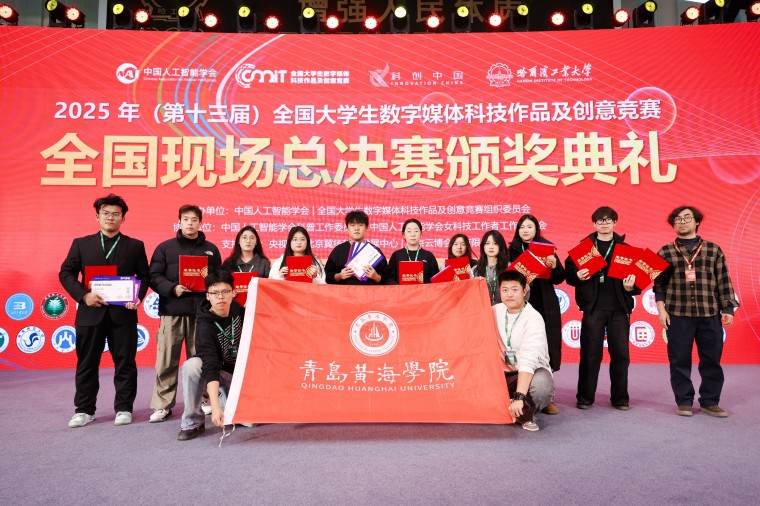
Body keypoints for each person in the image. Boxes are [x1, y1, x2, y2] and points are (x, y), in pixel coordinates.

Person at [59, 194, 149, 428]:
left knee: (125, 362)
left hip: (123, 314)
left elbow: (144, 276)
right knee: (87, 363)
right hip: (90, 314)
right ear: (97, 216)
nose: (111, 218)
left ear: (123, 218)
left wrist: (137, 297)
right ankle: (84, 410)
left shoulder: (134, 245)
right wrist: (83, 295)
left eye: (116, 214)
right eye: (106, 213)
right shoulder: (82, 244)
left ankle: (124, 408)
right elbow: (66, 273)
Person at [654, 206, 738, 418]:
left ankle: (710, 401)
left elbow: (723, 279)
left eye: (687, 218)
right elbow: (659, 284)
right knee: (679, 360)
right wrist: (661, 310)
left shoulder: (713, 249)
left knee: (711, 360)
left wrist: (728, 308)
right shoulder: (665, 251)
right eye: (678, 219)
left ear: (697, 221)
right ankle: (684, 401)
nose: (682, 222)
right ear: (673, 224)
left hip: (709, 313)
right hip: (677, 314)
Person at [148, 205, 222, 423]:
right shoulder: (165, 248)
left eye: (194, 219)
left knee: (201, 359)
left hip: (202, 314)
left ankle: (205, 399)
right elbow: (154, 276)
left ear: (201, 222)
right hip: (172, 312)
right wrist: (173, 288)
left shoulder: (211, 250)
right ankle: (163, 405)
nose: (190, 223)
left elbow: (217, 280)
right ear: (179, 222)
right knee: (166, 360)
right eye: (186, 219)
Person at [565, 206, 639, 411]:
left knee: (621, 355)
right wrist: (576, 276)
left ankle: (620, 398)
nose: (604, 223)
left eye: (608, 220)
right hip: (593, 308)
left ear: (615, 222)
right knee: (590, 354)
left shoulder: (626, 249)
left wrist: (631, 287)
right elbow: (569, 273)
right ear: (594, 223)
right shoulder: (584, 248)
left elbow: (637, 279)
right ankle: (585, 397)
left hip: (619, 308)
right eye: (600, 220)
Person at [178, 270, 245, 440]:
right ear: (208, 296)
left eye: (225, 291)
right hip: (217, 374)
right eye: (215, 293)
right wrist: (215, 408)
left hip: (239, 379)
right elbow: (210, 365)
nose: (220, 297)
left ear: (233, 293)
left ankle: (228, 403)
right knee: (192, 365)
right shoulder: (204, 325)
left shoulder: (239, 310)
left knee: (250, 422)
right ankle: (193, 422)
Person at [508, 214, 565, 415]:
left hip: (545, 305)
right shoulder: (511, 250)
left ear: (536, 229)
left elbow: (559, 277)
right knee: (518, 348)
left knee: (545, 349)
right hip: (520, 306)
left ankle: (546, 397)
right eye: (522, 227)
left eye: (529, 227)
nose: (525, 230)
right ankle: (518, 393)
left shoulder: (547, 248)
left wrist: (554, 265)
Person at [492, 271, 555, 432]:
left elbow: (528, 359)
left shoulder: (533, 318)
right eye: (505, 290)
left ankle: (523, 414)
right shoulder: (495, 311)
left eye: (514, 289)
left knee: (542, 385)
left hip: (528, 372)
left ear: (524, 290)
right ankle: (507, 406)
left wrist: (520, 396)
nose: (509, 294)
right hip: (501, 374)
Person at [325, 210, 388, 285]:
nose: (356, 228)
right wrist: (340, 276)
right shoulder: (338, 250)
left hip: (369, 291)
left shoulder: (375, 251)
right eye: (352, 225)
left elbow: (387, 278)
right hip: (344, 292)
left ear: (366, 227)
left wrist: (376, 277)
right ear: (347, 228)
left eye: (360, 225)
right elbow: (327, 277)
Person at [387, 219, 440, 284]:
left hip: (424, 290)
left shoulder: (429, 256)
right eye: (409, 231)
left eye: (416, 231)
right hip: (402, 290)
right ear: (404, 235)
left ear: (421, 234)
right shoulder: (396, 255)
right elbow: (390, 279)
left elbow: (436, 280)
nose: (413, 234)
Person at [472, 230, 510, 305]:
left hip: (506, 308)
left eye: (495, 243)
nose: (491, 247)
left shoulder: (509, 267)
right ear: (483, 246)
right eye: (487, 243)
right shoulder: (475, 270)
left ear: (501, 246)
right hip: (483, 309)